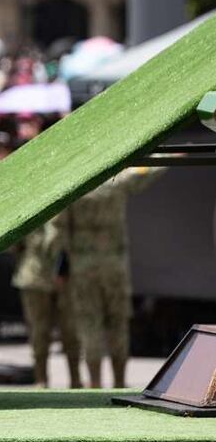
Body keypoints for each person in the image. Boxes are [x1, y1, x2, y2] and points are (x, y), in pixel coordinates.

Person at [51, 166, 166, 388]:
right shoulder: (119, 180)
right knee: (118, 322)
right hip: (115, 265)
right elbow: (147, 173)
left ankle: (94, 384)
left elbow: (58, 230)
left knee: (89, 323)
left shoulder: (74, 186)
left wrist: (59, 266)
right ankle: (120, 382)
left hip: (83, 267)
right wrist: (173, 157)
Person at [11, 220, 81, 389]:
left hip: (67, 278)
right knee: (38, 331)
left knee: (71, 330)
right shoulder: (29, 208)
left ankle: (75, 379)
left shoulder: (67, 206)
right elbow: (16, 244)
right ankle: (41, 379)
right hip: (34, 276)